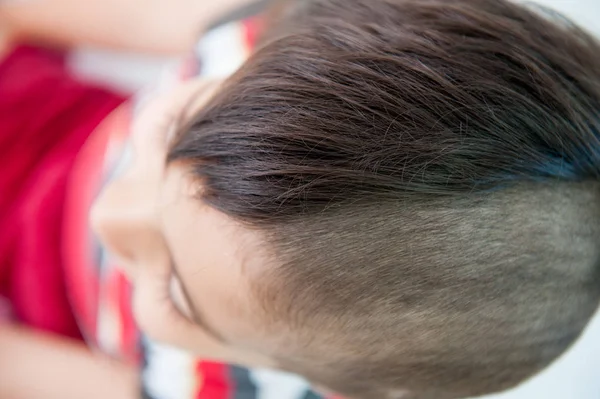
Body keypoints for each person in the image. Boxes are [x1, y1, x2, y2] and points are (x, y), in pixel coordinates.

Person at [2, 0, 600, 398]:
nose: (109, 215)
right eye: (171, 130)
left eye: (176, 292)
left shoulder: (210, 386)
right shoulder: (256, 44)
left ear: (282, 367)